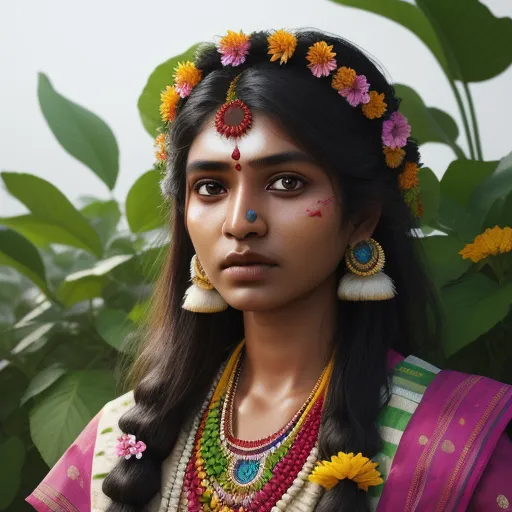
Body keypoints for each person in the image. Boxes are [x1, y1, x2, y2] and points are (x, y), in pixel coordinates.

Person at [26, 28, 511, 512]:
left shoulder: (451, 440)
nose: (240, 223)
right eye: (211, 188)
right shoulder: (121, 436)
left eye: (286, 182)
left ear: (361, 218)